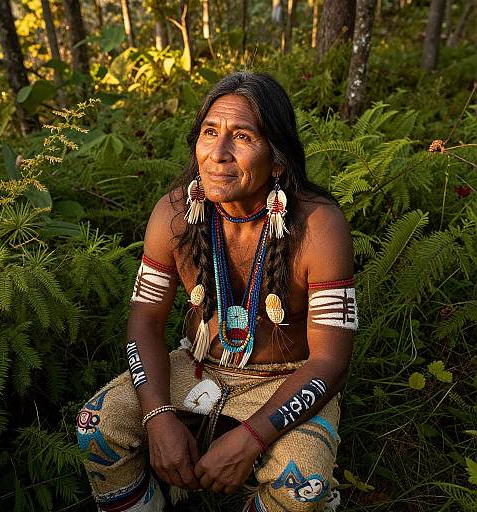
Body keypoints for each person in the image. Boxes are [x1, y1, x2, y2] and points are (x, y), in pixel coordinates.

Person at [76, 72, 357, 512]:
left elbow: (330, 361)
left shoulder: (319, 226)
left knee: (302, 486)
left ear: (277, 159)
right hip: (198, 363)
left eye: (241, 136)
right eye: (210, 133)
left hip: (287, 378)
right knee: (96, 424)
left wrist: (252, 437)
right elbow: (144, 321)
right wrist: (157, 416)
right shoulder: (173, 213)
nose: (218, 154)